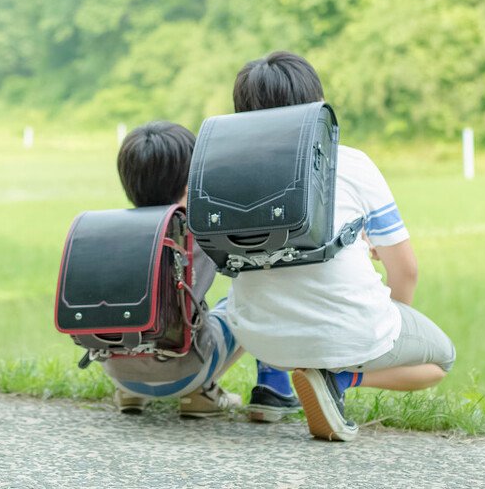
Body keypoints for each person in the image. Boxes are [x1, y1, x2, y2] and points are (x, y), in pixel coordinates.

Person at [224, 51, 456, 441]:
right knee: (441, 359)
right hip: (348, 333)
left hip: (258, 336)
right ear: (317, 105)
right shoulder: (350, 162)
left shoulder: (226, 171)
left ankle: (276, 380)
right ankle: (341, 378)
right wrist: (383, 329)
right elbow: (406, 270)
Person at [105, 120, 299, 421]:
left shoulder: (110, 231)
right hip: (186, 372)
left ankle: (131, 394)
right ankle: (202, 392)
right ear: (190, 182)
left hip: (118, 371)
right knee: (246, 302)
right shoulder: (199, 230)